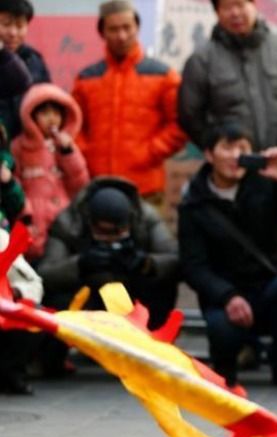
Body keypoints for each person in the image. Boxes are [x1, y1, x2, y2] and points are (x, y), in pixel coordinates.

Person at [179, 0, 277, 303]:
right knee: (240, 262)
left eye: (241, 4)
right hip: (234, 183)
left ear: (254, 5)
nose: (235, 13)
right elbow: (190, 116)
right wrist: (223, 156)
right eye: (226, 7)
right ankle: (246, 336)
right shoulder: (203, 60)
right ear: (216, 12)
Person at [178, 122, 277, 389]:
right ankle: (225, 370)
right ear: (209, 154)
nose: (236, 156)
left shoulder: (265, 183)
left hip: (267, 286)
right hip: (224, 294)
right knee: (222, 327)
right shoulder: (194, 203)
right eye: (227, 147)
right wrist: (227, 296)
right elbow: (193, 266)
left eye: (242, 148)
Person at [36, 177, 179, 376]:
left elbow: (174, 259)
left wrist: (145, 263)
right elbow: (46, 273)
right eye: (103, 232)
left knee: (162, 286)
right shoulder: (69, 222)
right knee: (55, 298)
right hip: (86, 290)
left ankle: (156, 354)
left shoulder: (146, 216)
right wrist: (80, 264)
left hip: (133, 288)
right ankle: (52, 359)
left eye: (117, 232)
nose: (111, 239)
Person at [72, 0, 186, 204]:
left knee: (148, 237)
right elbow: (73, 125)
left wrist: (150, 152)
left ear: (137, 28)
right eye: (113, 29)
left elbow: (180, 125)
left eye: (127, 27)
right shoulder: (87, 79)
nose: (122, 36)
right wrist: (87, 154)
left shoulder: (163, 75)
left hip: (146, 187)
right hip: (97, 186)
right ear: (102, 32)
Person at [11, 83, 90, 260]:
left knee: (60, 261)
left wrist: (68, 152)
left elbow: (79, 183)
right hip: (33, 219)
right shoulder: (20, 147)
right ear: (31, 116)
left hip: (62, 217)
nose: (51, 119)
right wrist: (25, 215)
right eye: (44, 113)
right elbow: (16, 183)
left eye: (56, 113)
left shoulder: (66, 146)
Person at [0, 226, 42, 395]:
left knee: (34, 314)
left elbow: (33, 283)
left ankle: (10, 373)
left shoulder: (2, 239)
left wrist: (15, 291)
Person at [0, 0, 47, 139]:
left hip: (28, 149)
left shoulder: (34, 60)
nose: (13, 33)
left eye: (20, 26)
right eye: (6, 25)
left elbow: (47, 105)